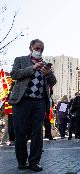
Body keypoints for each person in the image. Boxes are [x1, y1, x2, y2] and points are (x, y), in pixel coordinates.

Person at [9, 39, 57, 172]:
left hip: (39, 102)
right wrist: (32, 68)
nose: (39, 51)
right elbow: (14, 74)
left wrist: (49, 74)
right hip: (22, 101)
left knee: (37, 133)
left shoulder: (46, 65)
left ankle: (34, 162)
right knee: (20, 132)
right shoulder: (20, 60)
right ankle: (22, 161)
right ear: (30, 48)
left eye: (41, 49)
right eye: (37, 48)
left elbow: (53, 82)